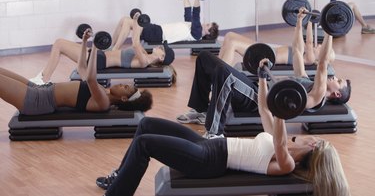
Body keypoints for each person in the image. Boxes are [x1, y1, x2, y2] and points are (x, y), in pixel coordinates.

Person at [95, 61, 350, 196]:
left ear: (314, 145)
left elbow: (280, 143)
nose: (311, 136)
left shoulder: (287, 164)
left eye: (314, 137)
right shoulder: (281, 143)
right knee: (147, 124)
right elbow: (264, 109)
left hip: (209, 160)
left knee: (144, 143)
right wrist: (262, 78)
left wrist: (283, 111)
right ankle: (118, 177)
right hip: (209, 145)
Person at [177, 8, 351, 135]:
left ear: (335, 94)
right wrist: (299, 22)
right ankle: (200, 110)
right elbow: (298, 50)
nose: (335, 77)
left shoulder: (317, 96)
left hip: (256, 100)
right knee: (204, 57)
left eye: (339, 80)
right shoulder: (305, 80)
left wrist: (329, 31)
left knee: (224, 73)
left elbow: (322, 64)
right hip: (256, 87)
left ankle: (214, 133)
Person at [3, 29, 153, 116]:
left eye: (125, 88)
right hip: (39, 90)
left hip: (38, 100)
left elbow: (91, 78)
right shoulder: (102, 93)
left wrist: (94, 48)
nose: (121, 84)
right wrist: (84, 42)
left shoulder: (103, 102)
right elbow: (82, 68)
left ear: (124, 99)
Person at [30, 20, 176, 85]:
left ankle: (43, 79)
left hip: (99, 61)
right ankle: (43, 77)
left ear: (161, 57)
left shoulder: (144, 61)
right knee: (59, 43)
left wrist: (137, 22)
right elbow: (134, 38)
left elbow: (135, 42)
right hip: (100, 54)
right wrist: (135, 20)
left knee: (59, 44)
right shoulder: (145, 53)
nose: (159, 47)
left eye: (162, 49)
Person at [113, 0, 219, 47]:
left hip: (158, 35)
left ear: (207, 32)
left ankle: (115, 50)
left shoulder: (197, 33)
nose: (206, 23)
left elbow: (196, 13)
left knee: (127, 21)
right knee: (124, 20)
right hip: (157, 30)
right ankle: (111, 46)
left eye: (208, 25)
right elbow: (188, 10)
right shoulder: (192, 27)